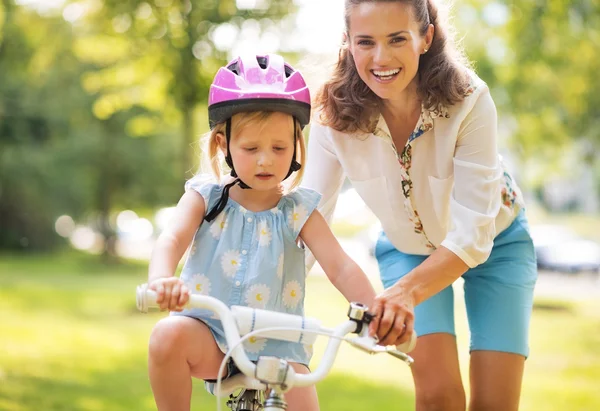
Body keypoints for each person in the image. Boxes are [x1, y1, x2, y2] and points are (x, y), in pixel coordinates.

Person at [303, 1, 537, 410]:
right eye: (365, 42)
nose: (381, 58)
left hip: (497, 243)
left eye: (397, 39)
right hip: (408, 250)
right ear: (348, 42)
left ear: (425, 37)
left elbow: (471, 235)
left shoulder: (469, 99)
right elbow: (310, 219)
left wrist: (404, 294)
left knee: (495, 403)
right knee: (438, 396)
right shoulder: (331, 116)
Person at [144, 54, 383, 411]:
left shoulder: (300, 210)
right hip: (212, 337)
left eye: (279, 148)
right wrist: (162, 280)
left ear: (297, 148)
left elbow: (340, 266)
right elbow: (172, 239)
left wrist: (374, 311)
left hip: (279, 345)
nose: (265, 160)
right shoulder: (204, 197)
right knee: (166, 336)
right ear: (223, 145)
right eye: (251, 148)